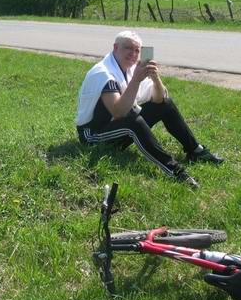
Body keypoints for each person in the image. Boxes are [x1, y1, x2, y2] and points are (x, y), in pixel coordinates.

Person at [75, 30, 223, 188]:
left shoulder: (131, 69)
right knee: (133, 121)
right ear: (116, 47)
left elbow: (159, 99)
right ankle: (175, 171)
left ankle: (196, 151)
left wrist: (155, 77)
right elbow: (119, 113)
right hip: (93, 135)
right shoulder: (103, 73)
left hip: (116, 126)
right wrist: (137, 80)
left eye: (137, 50)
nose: (133, 54)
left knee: (166, 104)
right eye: (128, 48)